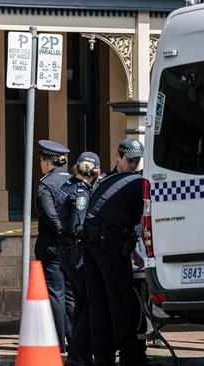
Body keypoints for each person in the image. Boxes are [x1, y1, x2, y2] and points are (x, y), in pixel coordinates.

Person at [81, 162, 155, 366]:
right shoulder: (144, 185)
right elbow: (145, 226)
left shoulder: (119, 179)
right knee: (121, 302)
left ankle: (103, 358)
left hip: (91, 241)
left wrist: (131, 252)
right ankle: (130, 357)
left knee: (99, 303)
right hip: (107, 243)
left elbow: (117, 221)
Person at [56, 152, 101, 366]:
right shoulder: (82, 193)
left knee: (82, 302)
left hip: (67, 252)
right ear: (95, 171)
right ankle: (79, 354)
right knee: (88, 302)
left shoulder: (68, 185)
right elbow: (78, 228)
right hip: (77, 254)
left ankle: (78, 353)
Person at [34, 139, 73, 353]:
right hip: (70, 246)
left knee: (55, 293)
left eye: (42, 160)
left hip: (51, 244)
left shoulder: (46, 183)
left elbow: (49, 214)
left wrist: (60, 230)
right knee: (69, 293)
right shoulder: (73, 181)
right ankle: (75, 338)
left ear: (47, 161)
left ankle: (58, 342)